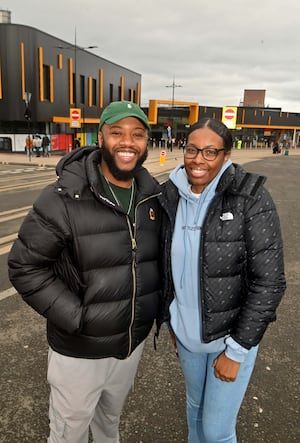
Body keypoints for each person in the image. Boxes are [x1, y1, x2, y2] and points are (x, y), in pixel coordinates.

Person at [8, 100, 162, 443]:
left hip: (128, 344)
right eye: (117, 132)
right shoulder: (64, 197)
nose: (127, 142)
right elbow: (24, 265)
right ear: (100, 137)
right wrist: (77, 318)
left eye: (137, 134)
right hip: (79, 351)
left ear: (146, 142)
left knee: (109, 424)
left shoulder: (153, 197)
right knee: (68, 433)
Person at [159, 117, 286, 443]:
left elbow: (270, 281)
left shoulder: (251, 198)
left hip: (229, 341)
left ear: (226, 156)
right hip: (187, 338)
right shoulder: (168, 196)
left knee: (216, 430)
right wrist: (170, 319)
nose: (198, 159)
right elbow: (163, 265)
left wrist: (237, 350)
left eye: (210, 152)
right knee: (194, 410)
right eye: (192, 149)